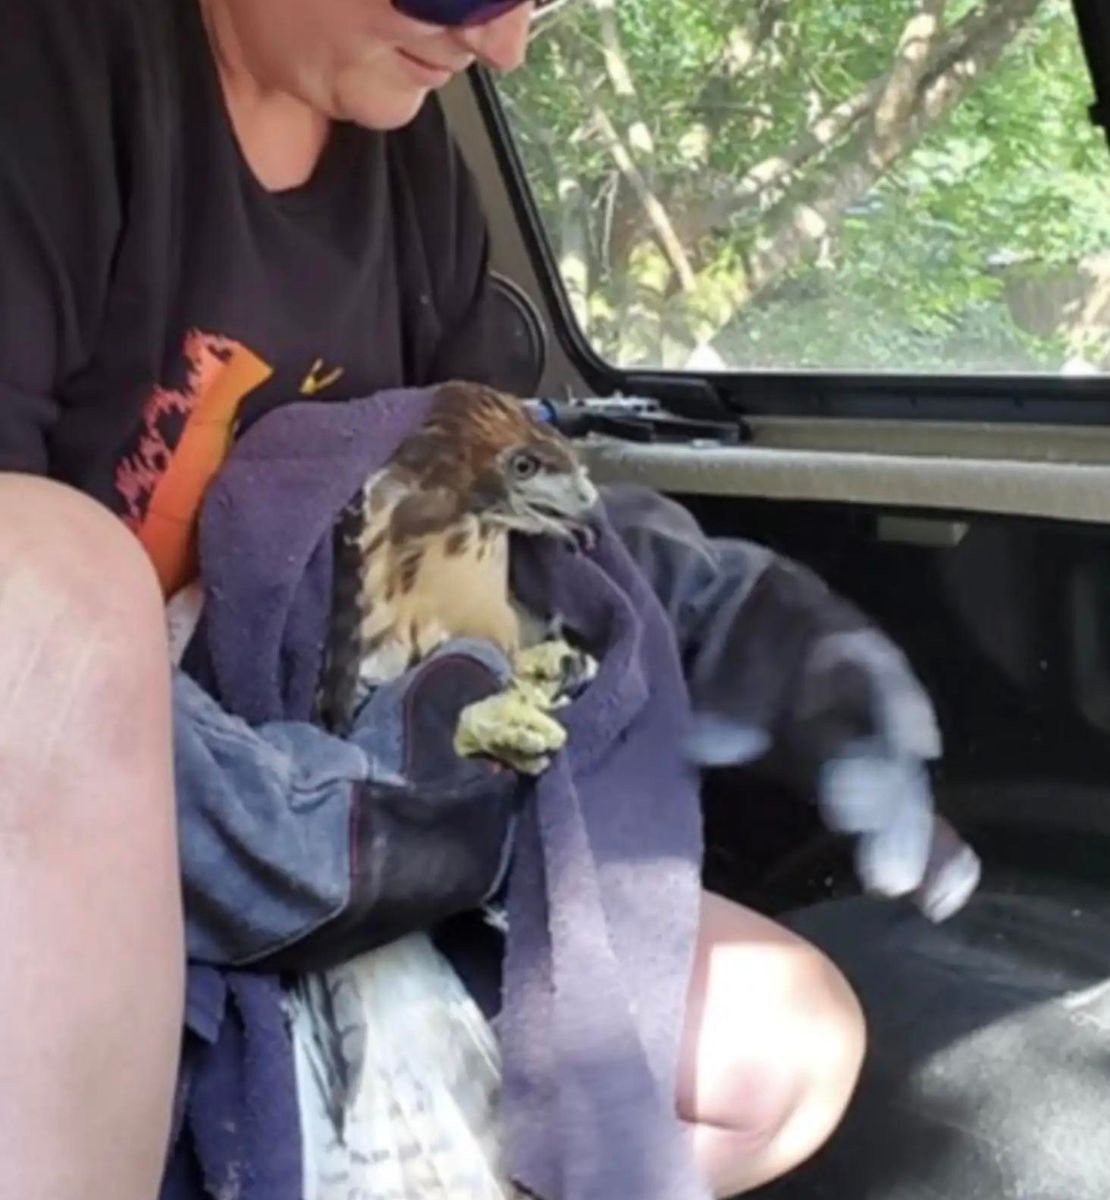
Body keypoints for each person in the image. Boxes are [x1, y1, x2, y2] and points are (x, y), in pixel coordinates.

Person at [0, 1, 973, 1196]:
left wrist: (761, 638)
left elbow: (509, 494)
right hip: (100, 874)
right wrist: (330, 841)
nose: (503, 46)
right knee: (38, 565)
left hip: (350, 834)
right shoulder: (52, 65)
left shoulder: (405, 159)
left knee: (788, 1042)